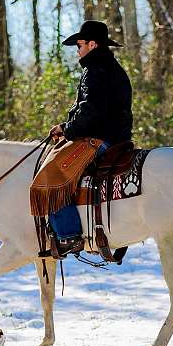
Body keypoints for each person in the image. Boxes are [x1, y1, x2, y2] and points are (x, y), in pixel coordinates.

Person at [47, 20, 133, 253]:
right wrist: (68, 126)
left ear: (92, 44)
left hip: (99, 139)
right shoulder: (111, 68)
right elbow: (94, 109)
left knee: (52, 177)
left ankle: (68, 235)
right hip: (117, 137)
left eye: (80, 44)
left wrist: (67, 130)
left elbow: (90, 111)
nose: (78, 49)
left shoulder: (95, 70)